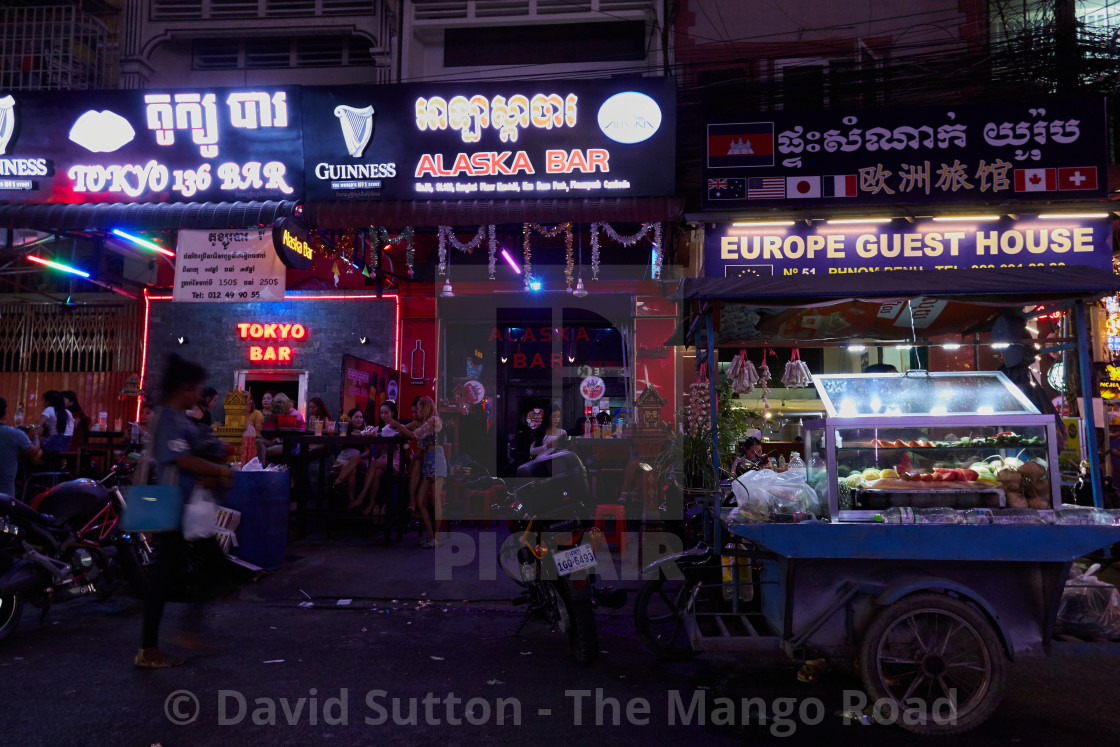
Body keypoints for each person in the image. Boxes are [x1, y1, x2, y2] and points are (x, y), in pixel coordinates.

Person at [137, 353, 232, 668]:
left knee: (203, 568)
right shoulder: (165, 417)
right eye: (197, 388)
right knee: (165, 577)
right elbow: (182, 460)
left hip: (186, 510)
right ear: (184, 387)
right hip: (170, 507)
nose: (199, 394)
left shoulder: (179, 418)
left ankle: (178, 635)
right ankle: (153, 647)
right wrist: (217, 471)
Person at [387, 396, 444, 548]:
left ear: (425, 407)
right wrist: (399, 429)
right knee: (420, 500)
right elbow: (409, 430)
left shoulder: (433, 420)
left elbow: (414, 435)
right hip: (428, 461)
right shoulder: (423, 422)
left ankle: (437, 538)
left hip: (436, 459)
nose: (417, 411)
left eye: (419, 408)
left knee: (435, 500)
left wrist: (396, 424)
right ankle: (431, 535)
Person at [351, 402, 402, 514]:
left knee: (374, 464)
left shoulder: (397, 427)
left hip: (396, 461)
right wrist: (362, 433)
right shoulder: (380, 428)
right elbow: (364, 433)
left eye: (386, 413)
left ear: (392, 413)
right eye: (381, 413)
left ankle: (362, 496)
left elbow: (399, 446)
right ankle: (372, 504)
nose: (383, 415)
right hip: (383, 461)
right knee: (378, 472)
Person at [0, 397, 39, 497]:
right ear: (4, 415)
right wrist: (36, 435)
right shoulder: (15, 434)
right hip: (4, 496)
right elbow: (33, 453)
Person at [332, 408, 370, 508]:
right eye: (356, 417)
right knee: (351, 471)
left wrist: (360, 456)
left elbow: (368, 451)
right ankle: (351, 501)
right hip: (344, 457)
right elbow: (339, 446)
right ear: (350, 419)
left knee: (356, 459)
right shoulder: (345, 429)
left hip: (359, 459)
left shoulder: (365, 431)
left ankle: (338, 481)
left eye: (361, 417)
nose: (359, 419)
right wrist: (344, 435)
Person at [36, 390, 73, 470]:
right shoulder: (68, 412)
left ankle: (37, 476)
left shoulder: (49, 409)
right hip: (66, 445)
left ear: (48, 401)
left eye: (44, 400)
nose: (43, 403)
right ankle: (54, 475)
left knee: (31, 449)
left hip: (52, 444)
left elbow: (37, 426)